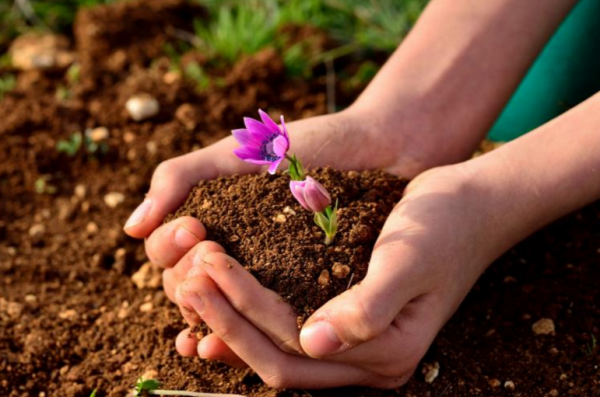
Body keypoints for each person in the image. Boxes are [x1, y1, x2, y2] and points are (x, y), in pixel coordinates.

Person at [123, 0, 600, 389]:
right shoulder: (288, 167)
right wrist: (400, 122)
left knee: (549, 105)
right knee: (539, 94)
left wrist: (493, 199)